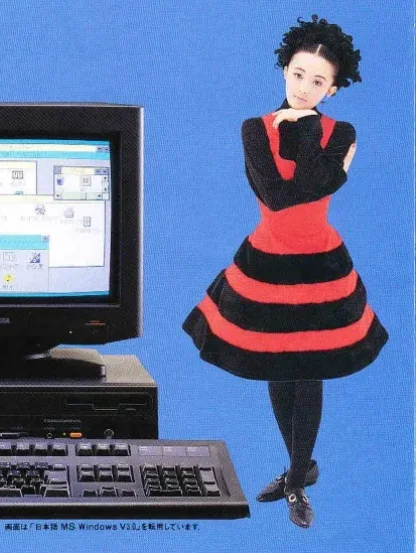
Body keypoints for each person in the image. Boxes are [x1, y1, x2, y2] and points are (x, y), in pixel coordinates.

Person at [182, 15, 388, 529]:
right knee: (277, 365)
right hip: (268, 259)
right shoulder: (254, 129)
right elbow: (277, 197)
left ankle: (296, 477)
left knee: (308, 369)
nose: (304, 87)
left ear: (333, 89)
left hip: (320, 262)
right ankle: (301, 468)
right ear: (284, 71)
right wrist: (324, 166)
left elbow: (313, 186)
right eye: (298, 74)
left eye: (318, 81)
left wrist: (309, 131)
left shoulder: (342, 131)